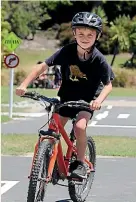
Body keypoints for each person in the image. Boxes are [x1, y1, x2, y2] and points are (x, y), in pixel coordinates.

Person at [16, 12, 115, 180]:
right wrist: (24, 84)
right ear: (74, 33)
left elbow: (108, 85)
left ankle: (80, 163)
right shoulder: (66, 52)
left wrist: (97, 101)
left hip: (88, 100)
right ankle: (49, 156)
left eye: (90, 35)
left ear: (97, 36)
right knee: (55, 126)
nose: (85, 38)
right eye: (81, 33)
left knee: (80, 127)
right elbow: (42, 66)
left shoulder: (98, 59)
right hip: (68, 96)